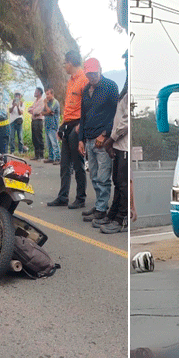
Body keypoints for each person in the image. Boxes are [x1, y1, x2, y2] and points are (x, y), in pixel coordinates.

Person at [78, 57, 119, 224]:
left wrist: (105, 134)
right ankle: (99, 205)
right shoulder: (86, 89)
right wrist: (80, 139)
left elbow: (116, 113)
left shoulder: (110, 87)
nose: (92, 76)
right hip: (88, 138)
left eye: (94, 73)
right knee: (94, 176)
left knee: (103, 177)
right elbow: (83, 115)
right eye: (89, 74)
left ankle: (102, 209)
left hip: (102, 140)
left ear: (100, 69)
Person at [48, 49, 88, 208]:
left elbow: (87, 106)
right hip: (67, 124)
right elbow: (69, 106)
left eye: (65, 63)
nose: (64, 66)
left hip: (78, 125)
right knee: (64, 164)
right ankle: (63, 196)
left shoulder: (84, 80)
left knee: (78, 164)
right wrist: (62, 126)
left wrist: (81, 126)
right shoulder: (70, 81)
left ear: (70, 63)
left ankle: (81, 198)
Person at [96, 56, 129, 234]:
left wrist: (111, 138)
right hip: (118, 144)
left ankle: (122, 219)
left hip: (124, 145)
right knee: (117, 181)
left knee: (123, 184)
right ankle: (114, 213)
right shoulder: (125, 86)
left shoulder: (129, 90)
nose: (126, 65)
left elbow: (127, 121)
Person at [42, 88, 61, 164]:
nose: (47, 96)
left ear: (52, 94)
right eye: (46, 94)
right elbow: (43, 112)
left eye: (48, 94)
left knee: (54, 143)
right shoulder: (48, 102)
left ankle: (58, 158)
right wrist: (48, 112)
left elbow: (50, 111)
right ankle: (51, 157)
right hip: (47, 125)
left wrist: (46, 105)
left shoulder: (55, 102)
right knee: (48, 143)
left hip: (53, 125)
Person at [27, 87, 45, 160]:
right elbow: (29, 109)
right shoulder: (35, 101)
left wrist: (33, 111)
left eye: (36, 91)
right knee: (34, 137)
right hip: (34, 120)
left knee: (38, 137)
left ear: (40, 92)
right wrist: (33, 111)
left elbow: (37, 111)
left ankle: (41, 154)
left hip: (39, 121)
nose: (34, 92)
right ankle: (36, 154)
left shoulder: (42, 101)